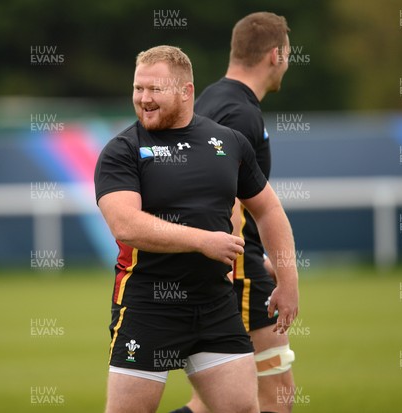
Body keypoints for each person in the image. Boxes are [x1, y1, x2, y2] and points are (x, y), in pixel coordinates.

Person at [94, 45, 299, 413]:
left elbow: (268, 209)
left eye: (154, 89)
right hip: (147, 305)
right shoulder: (122, 150)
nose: (143, 99)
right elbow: (125, 224)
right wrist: (202, 241)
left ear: (186, 92)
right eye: (138, 89)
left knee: (240, 408)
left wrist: (289, 280)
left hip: (215, 304)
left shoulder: (228, 142)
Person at [172, 12, 297, 413]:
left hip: (229, 265)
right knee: (276, 395)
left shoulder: (211, 98)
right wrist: (245, 264)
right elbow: (218, 196)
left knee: (212, 403)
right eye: (289, 54)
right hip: (237, 275)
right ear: (276, 55)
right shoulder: (242, 115)